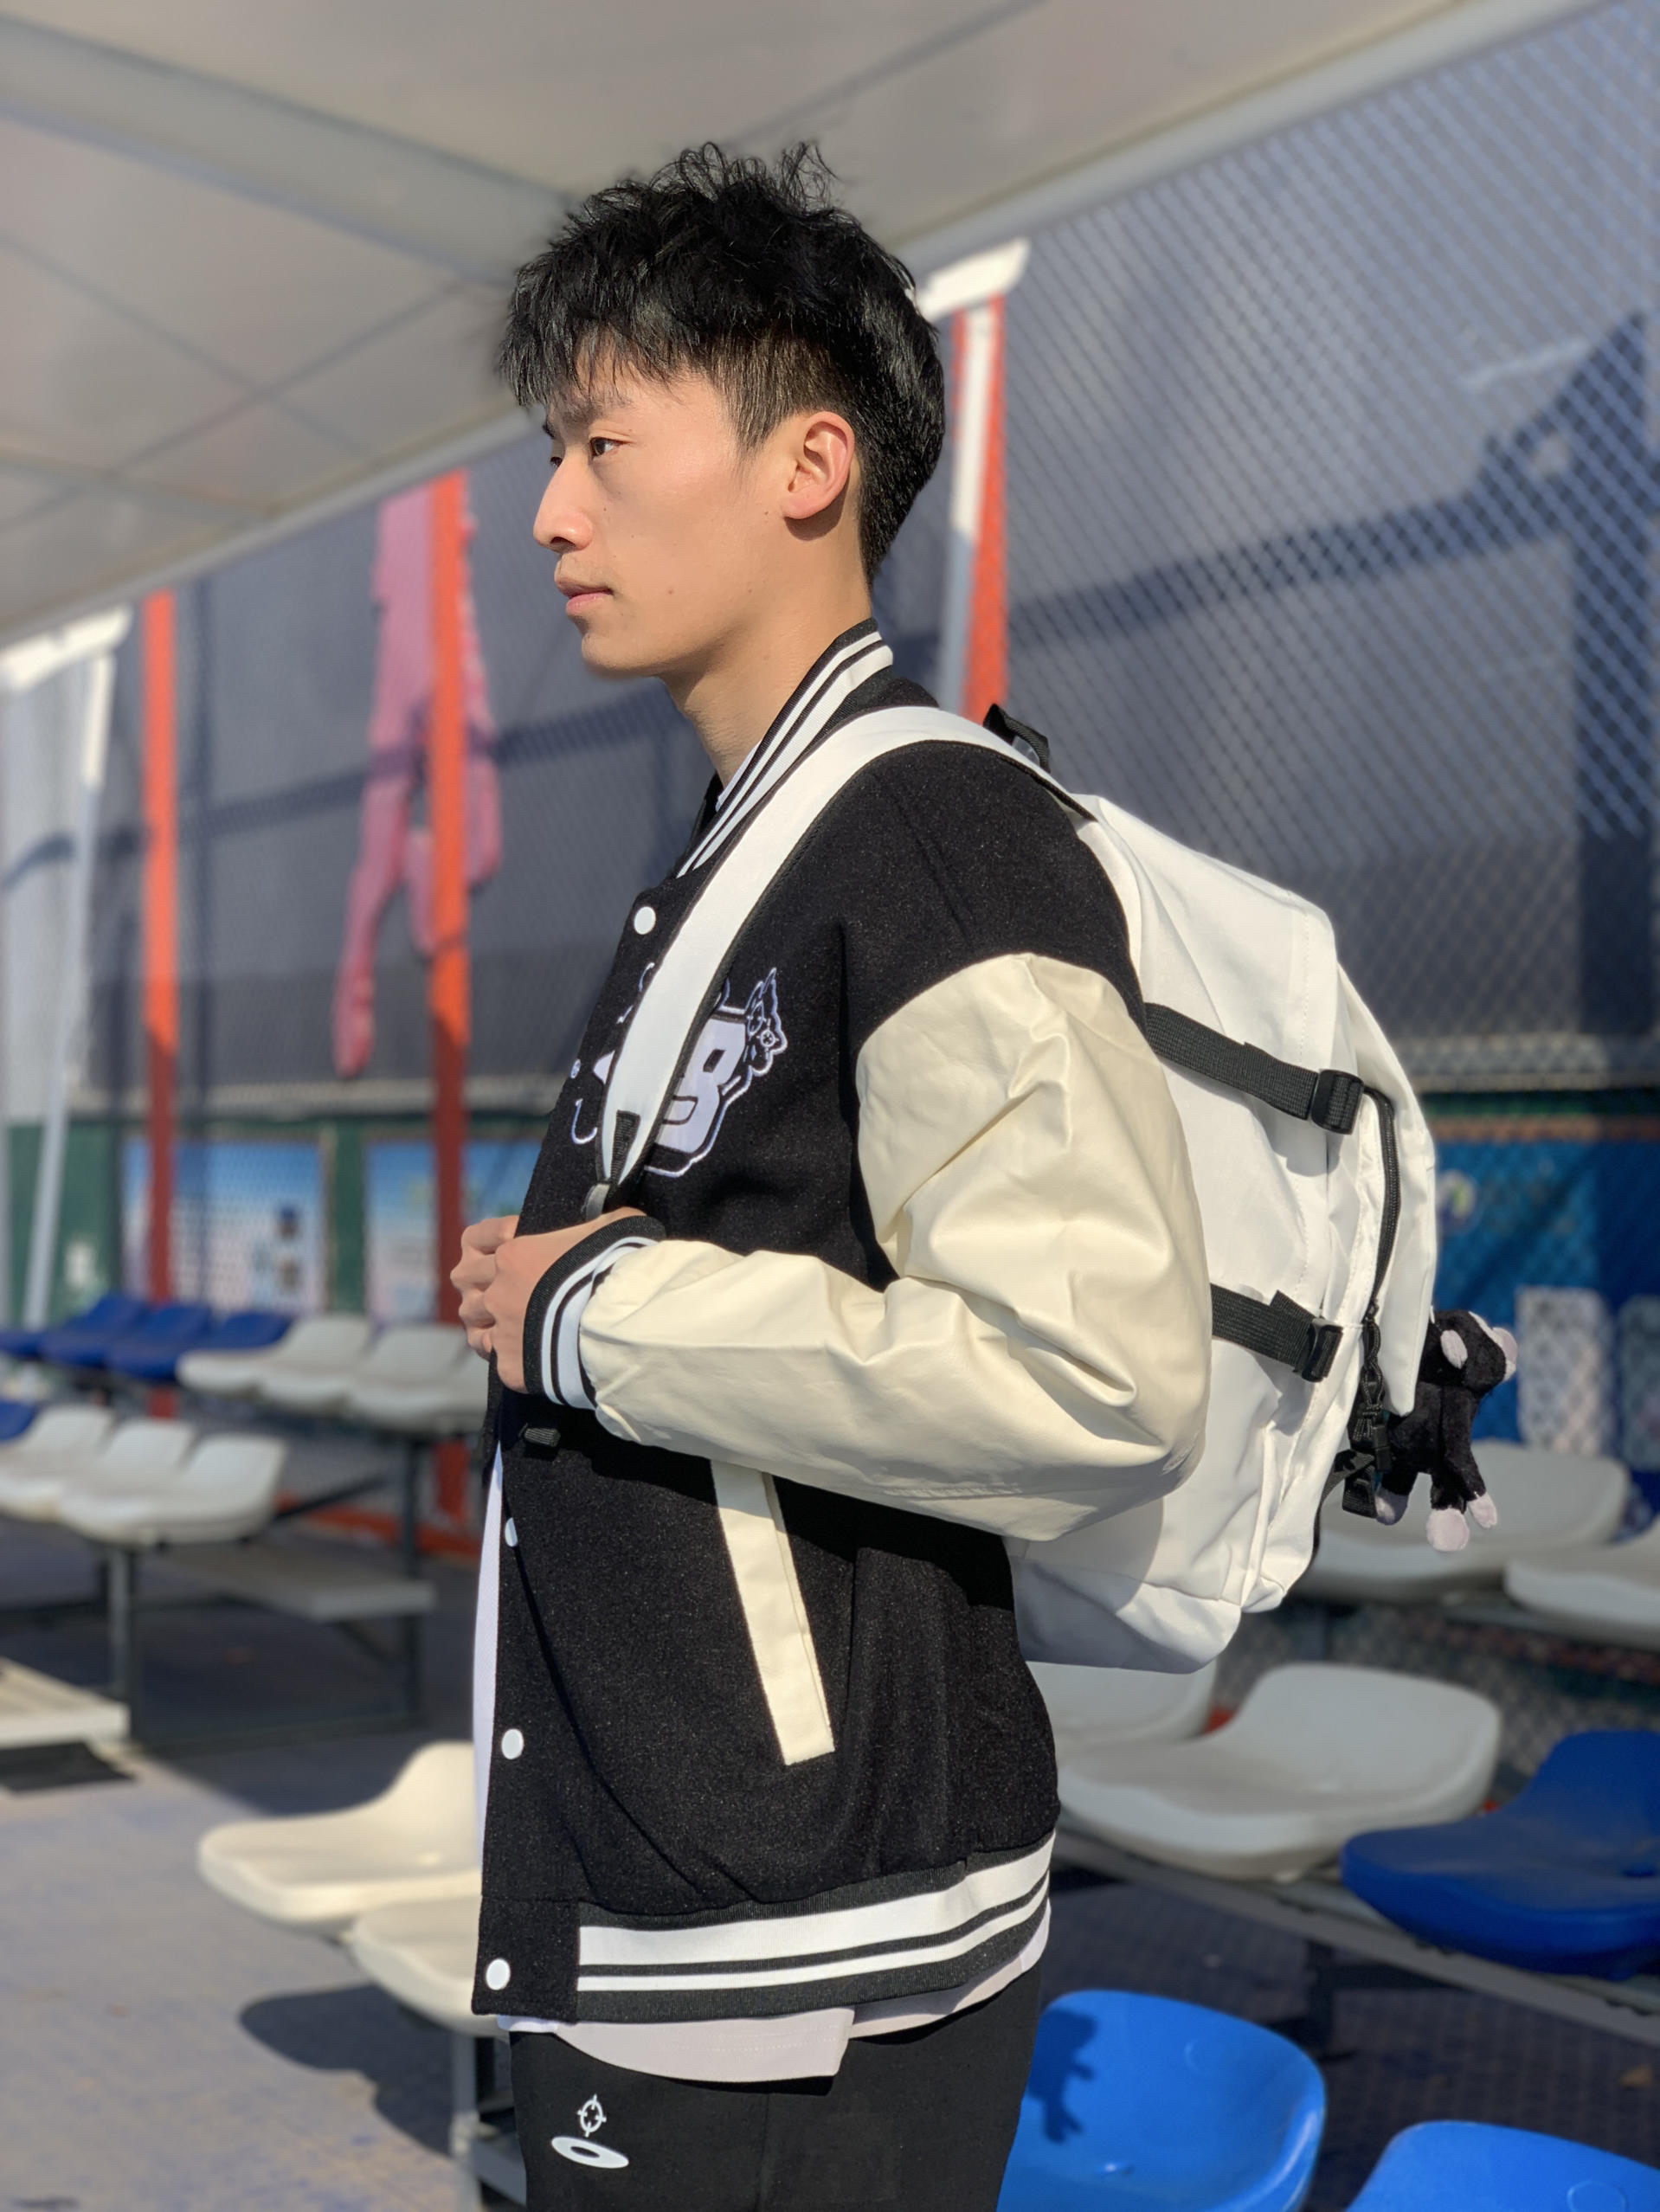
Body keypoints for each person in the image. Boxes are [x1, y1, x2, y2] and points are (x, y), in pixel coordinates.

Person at [454, 143, 1211, 2211]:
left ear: (807, 464)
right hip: (690, 1900)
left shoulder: (936, 837)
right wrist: (567, 1292)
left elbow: (1085, 1372)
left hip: (804, 1942)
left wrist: (593, 1314)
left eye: (603, 444)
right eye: (550, 454)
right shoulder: (749, 840)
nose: (552, 512)